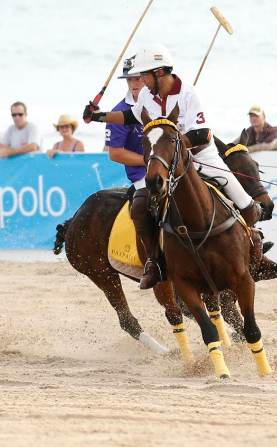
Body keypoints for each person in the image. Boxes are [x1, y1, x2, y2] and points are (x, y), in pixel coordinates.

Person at [83, 43, 262, 289]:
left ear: (158, 73)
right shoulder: (147, 94)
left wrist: (171, 146)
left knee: (243, 201)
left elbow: (201, 135)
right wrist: (98, 116)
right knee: (142, 207)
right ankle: (155, 262)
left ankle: (253, 244)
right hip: (168, 162)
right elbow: (130, 116)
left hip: (199, 155)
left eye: (143, 75)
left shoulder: (189, 94)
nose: (140, 80)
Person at [105, 55, 147, 190]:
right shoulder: (119, 112)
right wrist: (151, 161)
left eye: (137, 79)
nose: (133, 84)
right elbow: (115, 153)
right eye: (129, 80)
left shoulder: (164, 103)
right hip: (143, 176)